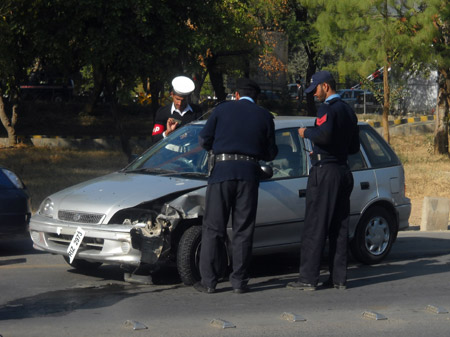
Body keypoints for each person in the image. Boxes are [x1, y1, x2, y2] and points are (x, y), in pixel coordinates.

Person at [194, 78, 278, 294]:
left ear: (237, 95)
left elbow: (204, 140)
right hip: (249, 175)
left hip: (222, 172)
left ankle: (209, 281)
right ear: (255, 97)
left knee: (213, 227)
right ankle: (239, 282)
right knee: (243, 229)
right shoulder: (265, 116)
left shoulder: (222, 110)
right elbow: (271, 153)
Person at [287, 70, 360, 291]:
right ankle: (338, 278)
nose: (315, 94)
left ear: (325, 87)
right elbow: (354, 147)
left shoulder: (327, 109)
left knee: (315, 225)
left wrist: (306, 132)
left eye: (316, 89)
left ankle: (308, 278)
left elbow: (324, 135)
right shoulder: (348, 111)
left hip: (325, 172)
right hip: (343, 170)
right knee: (339, 227)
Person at [151, 76, 203, 143]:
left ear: (188, 97)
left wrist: (192, 133)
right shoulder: (162, 112)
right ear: (172, 94)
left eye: (183, 100)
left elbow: (202, 134)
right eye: (177, 99)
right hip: (170, 152)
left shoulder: (196, 111)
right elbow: (154, 139)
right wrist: (166, 133)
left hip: (191, 152)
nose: (180, 103)